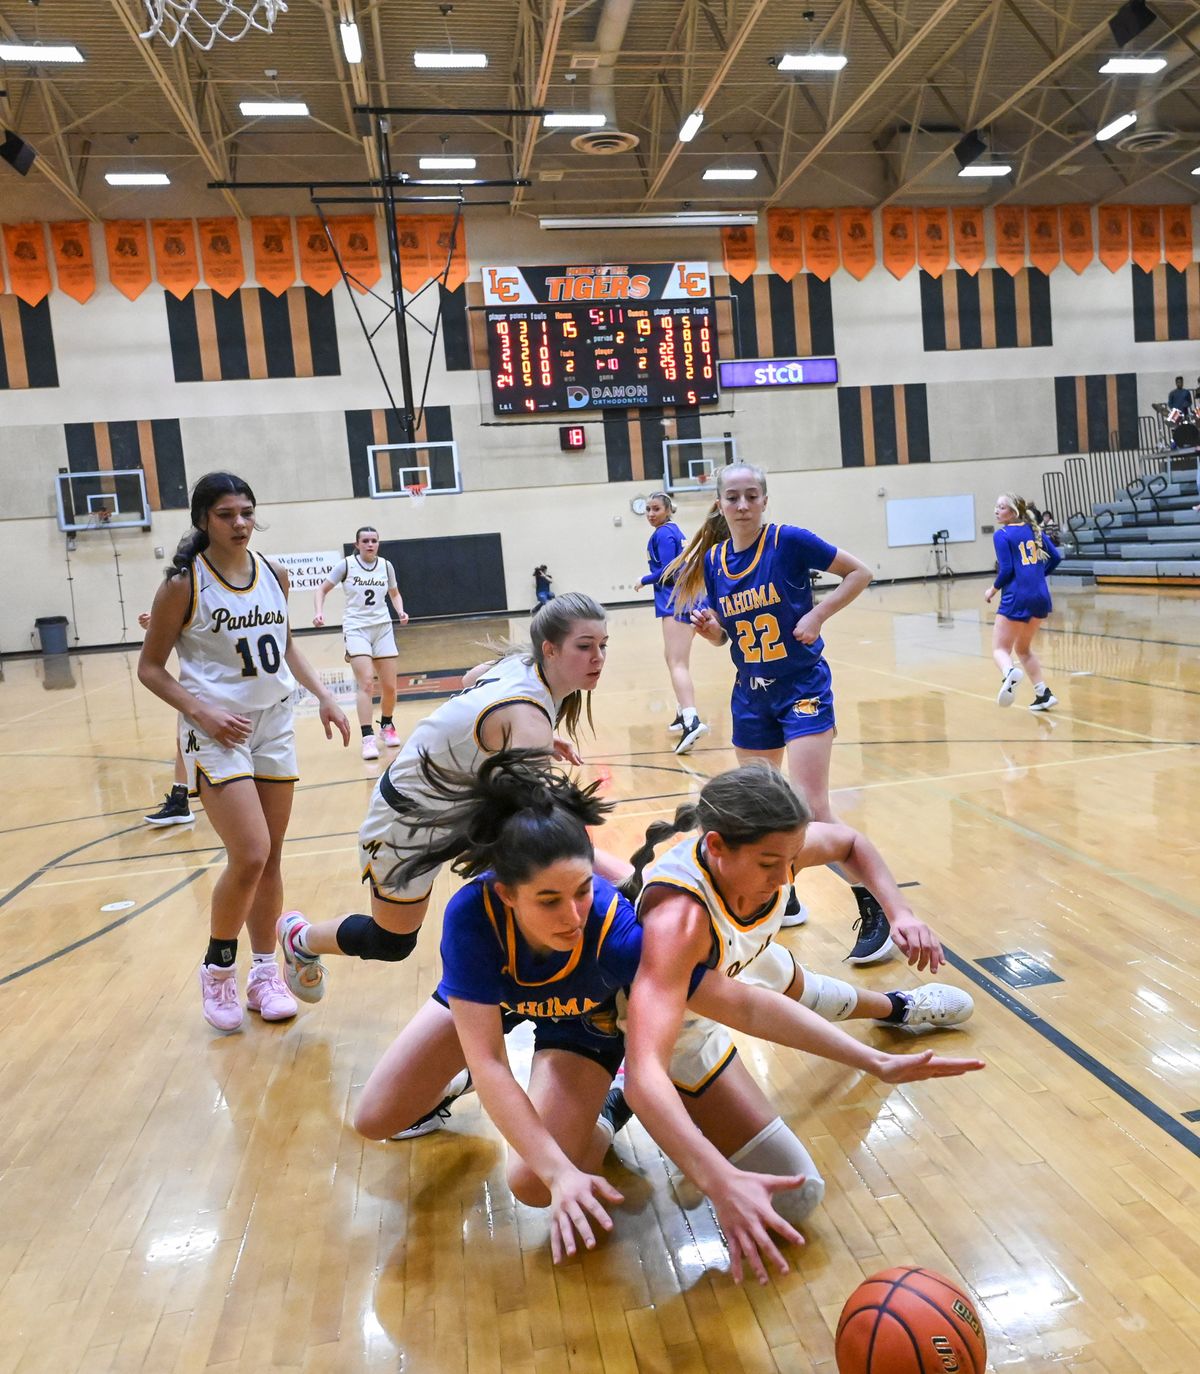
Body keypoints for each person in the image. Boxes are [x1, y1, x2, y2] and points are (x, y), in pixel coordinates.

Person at [352, 751, 984, 1279]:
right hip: (498, 996)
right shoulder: (475, 918)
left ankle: (612, 1097)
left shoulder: (621, 933)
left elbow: (743, 1004)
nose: (573, 916)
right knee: (376, 1118)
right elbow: (490, 1060)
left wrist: (871, 1061)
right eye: (549, 900)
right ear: (504, 892)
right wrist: (698, 1177)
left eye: (581, 894)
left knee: (531, 1184)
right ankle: (458, 1085)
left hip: (586, 1024)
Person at [618, 761, 974, 1277]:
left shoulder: (778, 850)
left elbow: (851, 843)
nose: (786, 876)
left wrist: (900, 913)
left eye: (792, 860)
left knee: (793, 981)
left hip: (740, 966)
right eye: (769, 864)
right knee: (795, 1195)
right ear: (716, 847)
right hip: (678, 1020)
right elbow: (649, 1068)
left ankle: (899, 1007)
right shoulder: (678, 921)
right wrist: (716, 1176)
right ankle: (615, 1098)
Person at [277, 593, 612, 998]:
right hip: (405, 822)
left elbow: (473, 680)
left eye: (603, 646)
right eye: (585, 646)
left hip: (454, 811)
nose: (598, 657)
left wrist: (520, 737)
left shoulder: (523, 666)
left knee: (520, 886)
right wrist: (620, 876)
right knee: (392, 942)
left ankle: (500, 989)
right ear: (550, 649)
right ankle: (301, 939)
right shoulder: (527, 714)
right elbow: (545, 829)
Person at [138, 472, 351, 1032]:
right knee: (251, 853)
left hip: (274, 724)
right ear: (203, 519)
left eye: (247, 513)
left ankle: (264, 974)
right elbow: (150, 668)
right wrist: (201, 711)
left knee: (273, 856)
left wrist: (325, 696)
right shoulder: (182, 585)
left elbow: (284, 646)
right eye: (227, 514)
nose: (239, 523)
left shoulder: (274, 574)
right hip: (216, 730)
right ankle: (217, 969)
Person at [665, 461, 893, 964]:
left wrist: (817, 613)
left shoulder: (789, 541)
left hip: (802, 686)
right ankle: (785, 897)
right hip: (751, 694)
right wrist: (712, 633)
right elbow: (731, 633)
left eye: (751, 496)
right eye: (733, 497)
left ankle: (873, 905)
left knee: (811, 807)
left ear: (765, 500)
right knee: (760, 810)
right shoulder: (718, 560)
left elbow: (861, 572)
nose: (743, 505)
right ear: (721, 504)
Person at [313, 527, 408, 762]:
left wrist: (400, 610)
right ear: (357, 544)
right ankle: (367, 738)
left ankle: (386, 725)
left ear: (378, 543)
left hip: (383, 627)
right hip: (356, 628)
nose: (370, 544)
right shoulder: (346, 565)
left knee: (390, 687)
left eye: (374, 540)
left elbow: (394, 593)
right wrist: (319, 612)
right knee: (366, 683)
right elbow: (321, 589)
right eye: (365, 541)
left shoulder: (386, 566)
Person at [638, 491, 708, 755]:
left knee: (677, 663)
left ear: (668, 509)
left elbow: (670, 570)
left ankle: (692, 720)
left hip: (677, 603)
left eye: (655, 508)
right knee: (673, 659)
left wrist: (644, 579)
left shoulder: (664, 534)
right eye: (647, 509)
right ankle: (682, 713)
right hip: (682, 600)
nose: (650, 514)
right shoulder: (672, 532)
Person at [985, 493, 1061, 712]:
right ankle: (1043, 693)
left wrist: (992, 589)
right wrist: (1037, 575)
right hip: (1040, 596)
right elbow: (1055, 557)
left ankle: (1009, 673)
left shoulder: (1003, 535)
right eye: (996, 507)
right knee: (1023, 648)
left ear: (1013, 512)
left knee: (1000, 649)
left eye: (1001, 507)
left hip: (1017, 596)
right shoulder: (1033, 530)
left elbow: (1007, 570)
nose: (996, 511)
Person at [138, 608, 195, 826]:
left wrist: (167, 619)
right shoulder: (190, 585)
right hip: (203, 682)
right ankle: (180, 801)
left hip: (223, 681)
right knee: (184, 740)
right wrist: (160, 622)